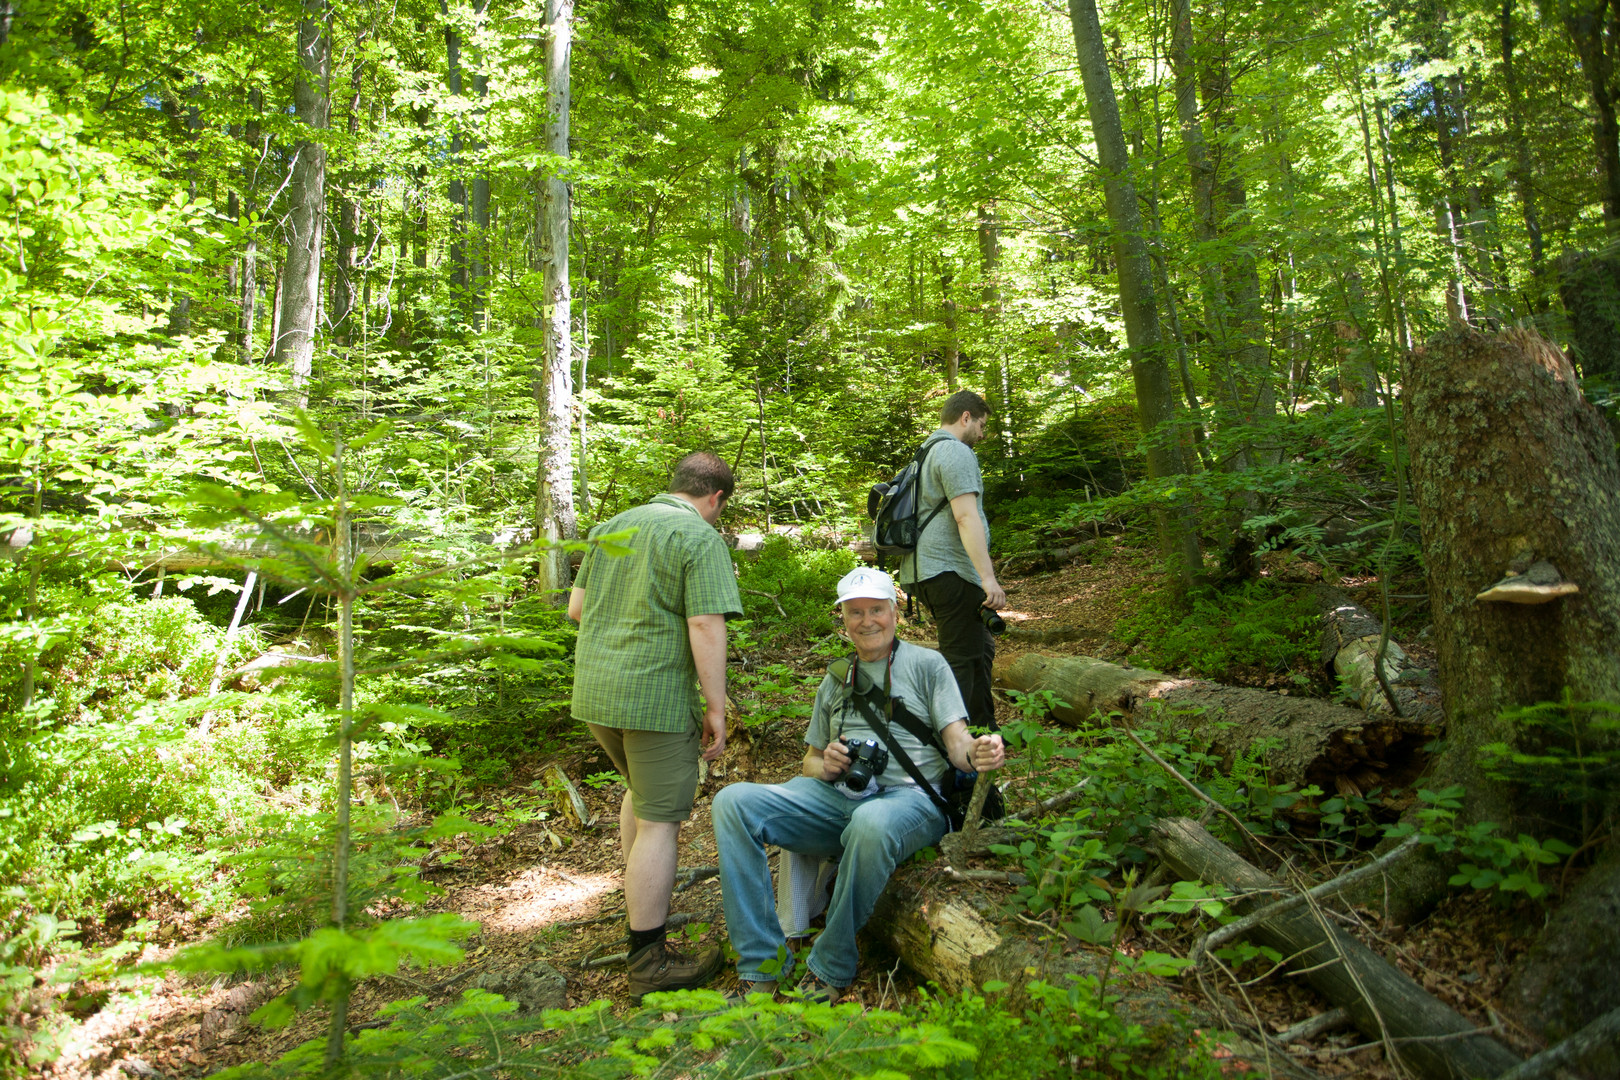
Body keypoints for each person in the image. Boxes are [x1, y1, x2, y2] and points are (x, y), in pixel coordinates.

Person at [711, 567, 1006, 1001]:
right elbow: (809, 760)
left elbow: (957, 739)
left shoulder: (927, 664)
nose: (867, 621)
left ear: (895, 613)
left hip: (910, 802)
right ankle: (762, 964)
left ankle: (832, 964)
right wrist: (825, 764)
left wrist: (979, 751)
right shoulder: (835, 677)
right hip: (839, 797)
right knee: (732, 801)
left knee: (870, 821)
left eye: (876, 610)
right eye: (855, 612)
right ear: (843, 619)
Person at [568, 451, 742, 1004]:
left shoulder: (611, 527)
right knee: (662, 823)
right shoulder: (698, 539)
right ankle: (649, 962)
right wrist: (716, 707)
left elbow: (577, 609)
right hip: (655, 699)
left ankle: (643, 900)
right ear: (714, 498)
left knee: (642, 800)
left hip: (597, 695)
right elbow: (704, 622)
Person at [898, 390, 1005, 733]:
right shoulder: (955, 452)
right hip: (950, 571)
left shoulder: (925, 452)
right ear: (966, 418)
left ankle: (985, 731)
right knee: (962, 661)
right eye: (982, 425)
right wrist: (988, 579)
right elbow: (965, 517)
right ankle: (954, 748)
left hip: (925, 572)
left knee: (979, 650)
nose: (983, 434)